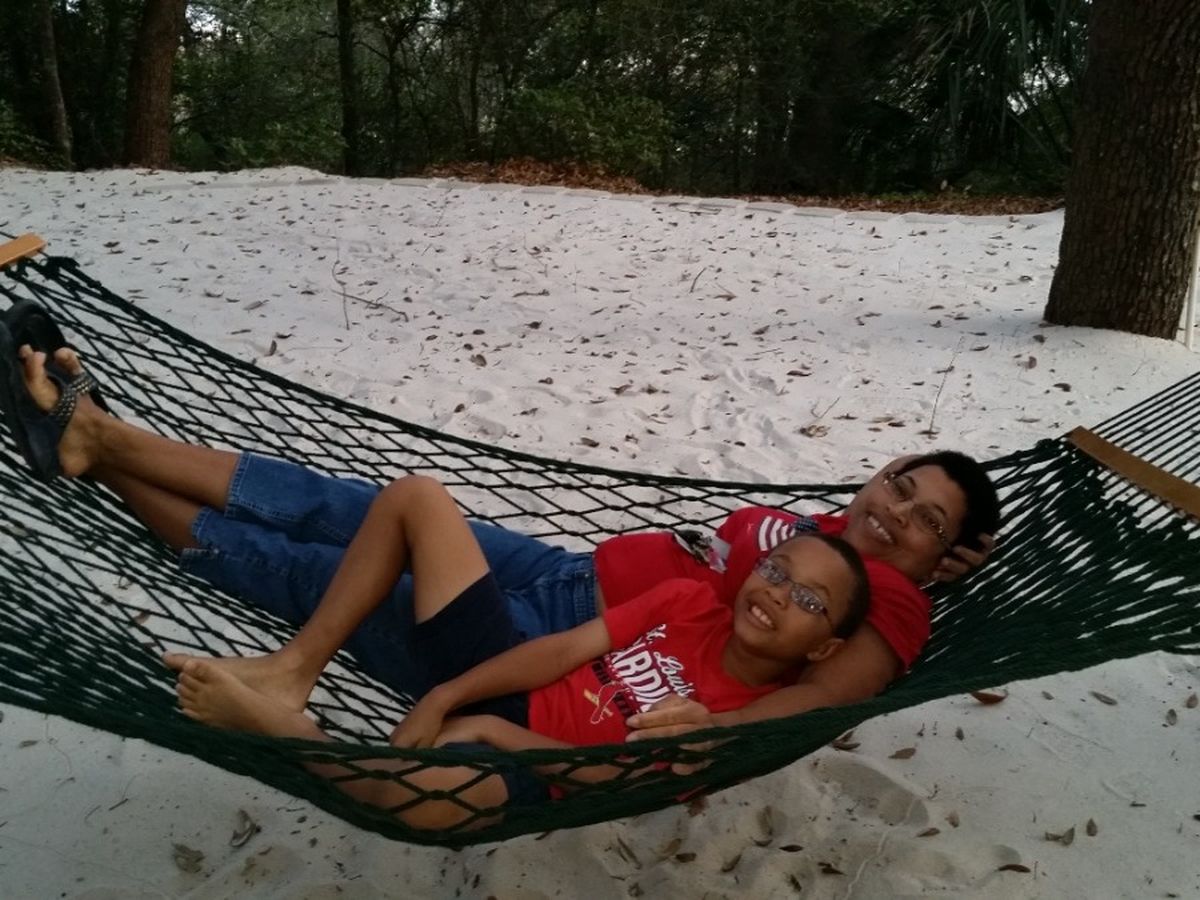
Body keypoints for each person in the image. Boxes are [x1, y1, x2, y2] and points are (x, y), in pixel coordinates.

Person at [1, 312, 1000, 740]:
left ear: (940, 557)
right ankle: (103, 440)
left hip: (571, 644)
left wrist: (719, 736)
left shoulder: (891, 599)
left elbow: (822, 694)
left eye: (925, 522)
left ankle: (95, 440)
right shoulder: (828, 526)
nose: (895, 513)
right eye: (900, 484)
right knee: (338, 505)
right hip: (568, 574)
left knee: (307, 570)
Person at [163, 462, 871, 829]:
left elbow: (614, 778)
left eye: (810, 601)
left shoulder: (736, 721)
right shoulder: (689, 602)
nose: (778, 593)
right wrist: (448, 695)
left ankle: (289, 733)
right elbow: (562, 651)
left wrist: (492, 730)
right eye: (776, 570)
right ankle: (294, 670)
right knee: (417, 497)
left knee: (427, 802)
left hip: (540, 766)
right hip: (508, 678)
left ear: (823, 650)